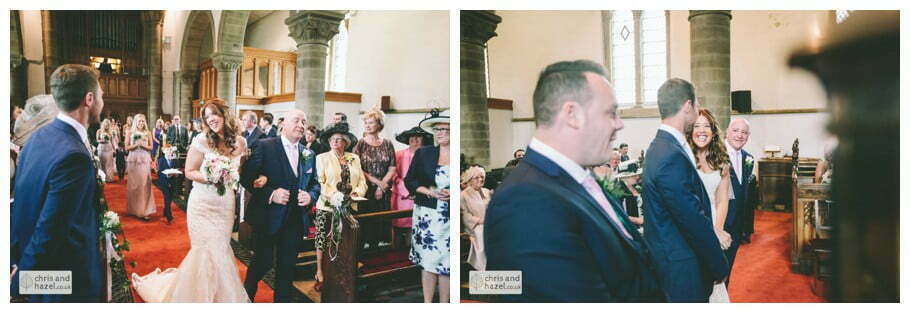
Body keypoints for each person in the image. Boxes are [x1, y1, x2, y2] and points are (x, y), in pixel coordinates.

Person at [485, 60, 662, 302]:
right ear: (572, 114)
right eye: (611, 113)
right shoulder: (526, 200)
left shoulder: (575, 177)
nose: (620, 123)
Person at [131, 98, 250, 302]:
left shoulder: (240, 142)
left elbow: (241, 172)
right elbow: (189, 171)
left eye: (215, 114)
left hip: (225, 205)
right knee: (204, 251)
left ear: (224, 114)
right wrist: (212, 177)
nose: (211, 119)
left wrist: (243, 178)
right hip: (202, 203)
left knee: (221, 249)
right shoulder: (201, 140)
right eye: (207, 116)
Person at [11, 64, 106, 302]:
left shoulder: (37, 137)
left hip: (42, 268)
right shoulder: (73, 156)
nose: (103, 102)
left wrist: (17, 260)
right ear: (89, 99)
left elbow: (23, 204)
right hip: (69, 276)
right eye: (102, 96)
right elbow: (50, 229)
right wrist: (21, 281)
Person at [641, 78, 728, 302]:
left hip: (673, 258)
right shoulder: (669, 154)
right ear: (687, 106)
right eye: (697, 105)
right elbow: (691, 217)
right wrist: (718, 264)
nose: (698, 111)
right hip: (680, 267)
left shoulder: (662, 146)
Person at [240, 109, 321, 302]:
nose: (301, 125)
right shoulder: (264, 146)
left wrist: (310, 196)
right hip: (268, 218)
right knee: (261, 264)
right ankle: (246, 298)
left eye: (304, 121)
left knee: (286, 271)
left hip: (294, 221)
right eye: (296, 120)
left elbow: (316, 184)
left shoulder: (308, 153)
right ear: (283, 124)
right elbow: (246, 178)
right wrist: (271, 194)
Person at [687, 108, 735, 302]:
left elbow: (722, 199)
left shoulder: (721, 161)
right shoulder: (685, 159)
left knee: (715, 280)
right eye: (696, 126)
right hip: (692, 222)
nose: (702, 130)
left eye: (706, 126)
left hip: (714, 221)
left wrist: (717, 230)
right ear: (690, 131)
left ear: (713, 131)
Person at [313, 122, 367, 292]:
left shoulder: (354, 158)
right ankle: (320, 271)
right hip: (327, 206)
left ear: (346, 142)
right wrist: (334, 196)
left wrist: (356, 193)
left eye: (339, 139)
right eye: (333, 140)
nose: (335, 142)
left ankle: (344, 270)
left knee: (348, 239)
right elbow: (320, 182)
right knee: (322, 238)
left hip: (350, 206)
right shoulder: (321, 158)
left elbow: (362, 181)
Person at [405, 110, 451, 303]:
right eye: (437, 129)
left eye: (445, 129)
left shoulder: (460, 155)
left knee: (447, 264)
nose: (440, 133)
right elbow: (410, 180)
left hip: (449, 216)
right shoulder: (424, 153)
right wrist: (429, 191)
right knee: (429, 261)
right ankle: (427, 302)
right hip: (428, 215)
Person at [353, 109, 397, 249]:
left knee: (380, 225)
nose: (367, 125)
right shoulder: (360, 144)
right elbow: (357, 169)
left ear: (379, 124)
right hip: (365, 190)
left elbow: (392, 167)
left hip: (383, 191)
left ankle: (377, 257)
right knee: (364, 226)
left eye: (371, 122)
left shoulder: (388, 143)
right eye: (365, 122)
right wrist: (378, 183)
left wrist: (381, 186)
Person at [723, 117, 755, 277]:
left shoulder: (748, 158)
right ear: (727, 132)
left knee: (727, 270)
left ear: (748, 136)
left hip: (737, 224)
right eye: (735, 131)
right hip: (720, 223)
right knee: (716, 269)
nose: (739, 135)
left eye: (744, 132)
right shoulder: (716, 155)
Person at [391, 126, 433, 245]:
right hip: (401, 196)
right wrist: (407, 190)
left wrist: (418, 191)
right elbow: (393, 175)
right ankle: (396, 256)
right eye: (411, 136)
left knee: (416, 226)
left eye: (418, 136)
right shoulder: (398, 155)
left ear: (424, 139)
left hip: (422, 195)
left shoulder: (429, 156)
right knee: (398, 226)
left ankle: (412, 258)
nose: (414, 139)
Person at [126, 114, 156, 221]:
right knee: (135, 184)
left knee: (144, 183)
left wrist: (143, 145)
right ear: (135, 122)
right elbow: (127, 147)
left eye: (143, 121)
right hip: (134, 159)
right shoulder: (130, 132)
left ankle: (144, 210)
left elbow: (151, 147)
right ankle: (134, 209)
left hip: (144, 159)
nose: (141, 123)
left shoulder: (147, 133)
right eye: (139, 121)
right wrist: (135, 145)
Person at [461, 165, 491, 271]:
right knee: (483, 234)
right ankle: (484, 272)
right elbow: (466, 215)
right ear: (470, 180)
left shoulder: (487, 191)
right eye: (477, 177)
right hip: (475, 226)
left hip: (490, 222)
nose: (481, 179)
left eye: (482, 177)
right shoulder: (464, 195)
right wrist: (481, 221)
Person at [155, 147, 180, 225]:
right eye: (168, 150)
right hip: (164, 182)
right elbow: (159, 173)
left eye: (170, 150)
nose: (170, 152)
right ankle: (169, 216)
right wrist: (166, 175)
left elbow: (177, 169)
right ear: (164, 151)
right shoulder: (161, 160)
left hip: (172, 182)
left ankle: (165, 211)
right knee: (167, 198)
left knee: (170, 197)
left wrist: (176, 174)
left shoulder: (174, 160)